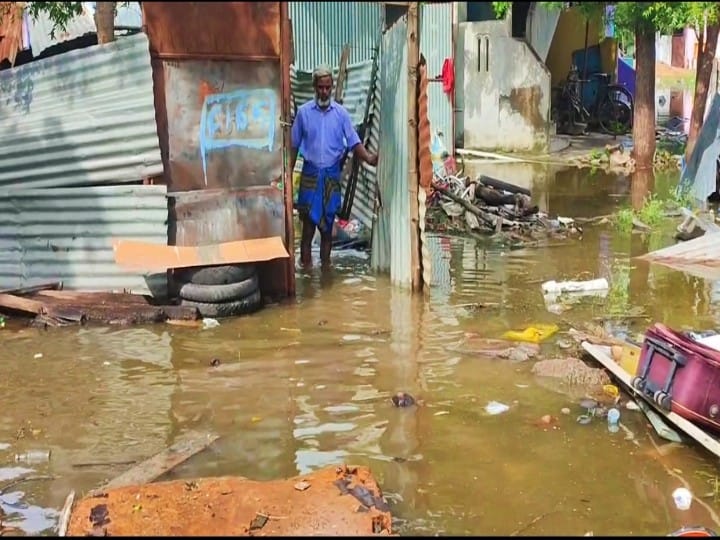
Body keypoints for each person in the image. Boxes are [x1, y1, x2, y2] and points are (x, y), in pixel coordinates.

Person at [289, 64, 378, 268]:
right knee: (308, 231)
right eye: (321, 87)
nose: (324, 92)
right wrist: (286, 177)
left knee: (327, 230)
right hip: (310, 175)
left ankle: (326, 273)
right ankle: (307, 270)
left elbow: (354, 142)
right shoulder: (303, 113)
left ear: (331, 87)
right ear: (315, 87)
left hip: (331, 176)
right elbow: (293, 146)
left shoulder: (341, 114)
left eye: (328, 87)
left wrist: (370, 158)